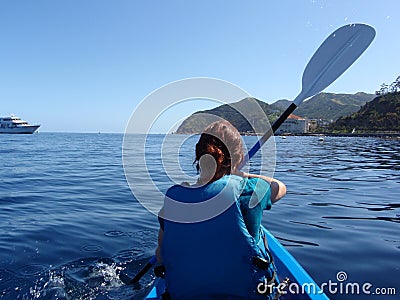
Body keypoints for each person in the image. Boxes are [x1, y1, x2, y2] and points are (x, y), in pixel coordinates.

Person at [156, 119, 286, 299]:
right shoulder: (247, 191)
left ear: (198, 158)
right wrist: (242, 174)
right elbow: (280, 187)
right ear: (239, 159)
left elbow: (161, 255)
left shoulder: (173, 200)